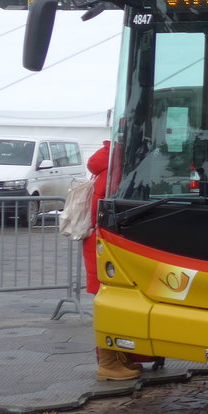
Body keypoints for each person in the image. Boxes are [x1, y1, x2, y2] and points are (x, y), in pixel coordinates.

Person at [86, 140, 143, 381]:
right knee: (109, 302)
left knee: (110, 300)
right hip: (106, 244)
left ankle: (117, 357)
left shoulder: (105, 166)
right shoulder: (117, 171)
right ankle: (108, 362)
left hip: (97, 242)